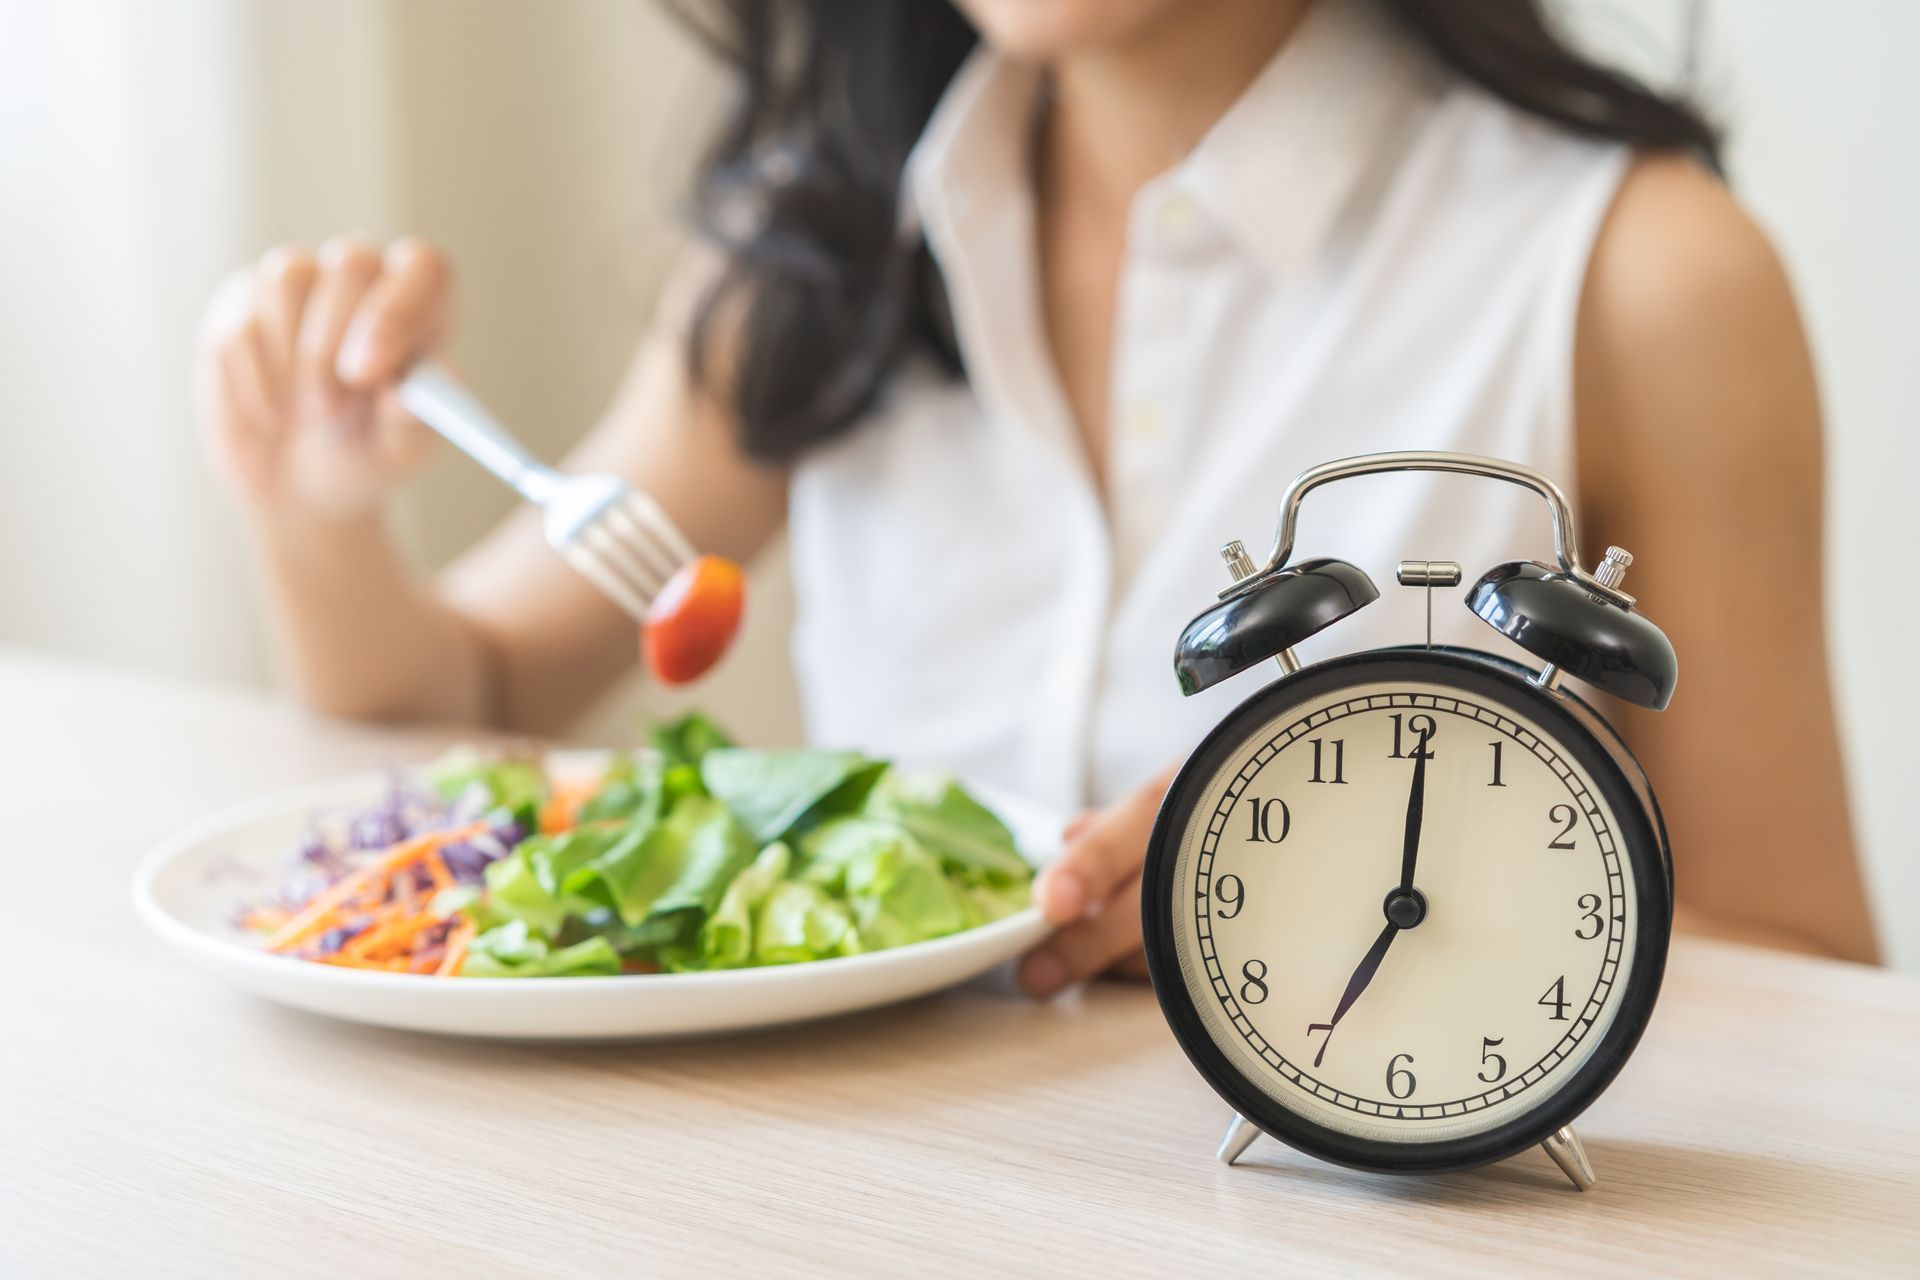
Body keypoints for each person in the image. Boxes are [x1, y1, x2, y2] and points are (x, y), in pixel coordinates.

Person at [195, 0, 1880, 995]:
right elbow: (470, 700)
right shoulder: (821, 245)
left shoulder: (1638, 277)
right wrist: (319, 511)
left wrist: (1356, 895)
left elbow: (1804, 981)